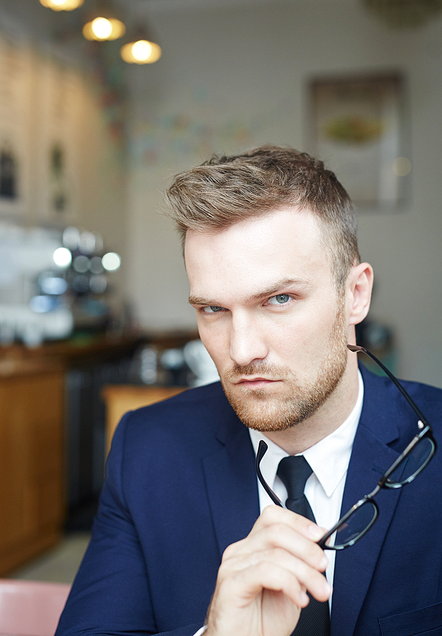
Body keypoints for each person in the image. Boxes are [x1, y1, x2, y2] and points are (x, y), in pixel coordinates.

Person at [56, 146, 442, 636]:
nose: (241, 351)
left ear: (355, 295)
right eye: (213, 310)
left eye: (278, 299)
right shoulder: (148, 450)